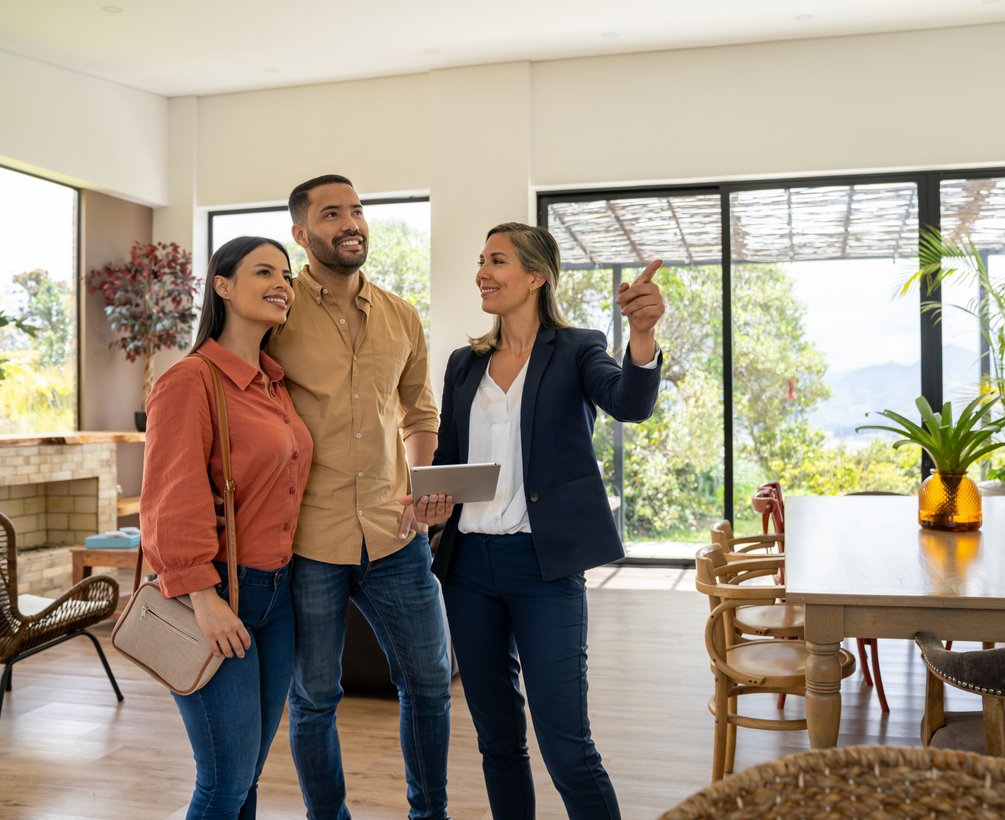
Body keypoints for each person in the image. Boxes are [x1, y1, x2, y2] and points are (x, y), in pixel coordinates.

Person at [412, 222, 664, 819]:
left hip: (544, 570)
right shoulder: (463, 364)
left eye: (496, 260)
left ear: (535, 275)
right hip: (469, 570)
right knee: (498, 741)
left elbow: (630, 403)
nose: (482, 271)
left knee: (567, 748)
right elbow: (449, 459)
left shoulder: (578, 348)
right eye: (480, 260)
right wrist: (430, 501)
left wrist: (644, 334)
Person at [266, 175, 452, 820]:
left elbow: (418, 410)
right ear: (301, 233)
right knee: (315, 698)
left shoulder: (401, 314)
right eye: (331, 213)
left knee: (430, 686)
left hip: (396, 535)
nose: (351, 222)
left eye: (357, 210)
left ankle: (430, 814)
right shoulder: (276, 310)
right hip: (310, 540)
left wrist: (424, 486)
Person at [141, 236, 311, 819]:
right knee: (225, 779)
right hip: (219, 595)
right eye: (264, 271)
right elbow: (171, 497)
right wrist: (204, 598)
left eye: (286, 275)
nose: (281, 284)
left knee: (249, 776)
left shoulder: (273, 384)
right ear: (222, 285)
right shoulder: (189, 381)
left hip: (276, 595)